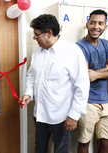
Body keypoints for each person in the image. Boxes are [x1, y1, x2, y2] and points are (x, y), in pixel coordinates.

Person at [19, 14, 90, 153]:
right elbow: (32, 75)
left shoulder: (72, 51)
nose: (34, 37)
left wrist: (74, 115)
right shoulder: (37, 51)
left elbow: (82, 85)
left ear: (50, 33)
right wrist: (29, 93)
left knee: (61, 150)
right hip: (40, 114)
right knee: (40, 149)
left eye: (37, 34)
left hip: (62, 117)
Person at [76, 9, 108, 153]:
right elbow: (85, 76)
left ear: (105, 27)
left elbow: (93, 75)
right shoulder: (79, 47)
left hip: (106, 102)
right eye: (93, 22)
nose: (96, 27)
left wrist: (97, 74)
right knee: (84, 142)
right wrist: (106, 70)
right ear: (87, 24)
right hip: (88, 102)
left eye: (100, 23)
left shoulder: (106, 44)